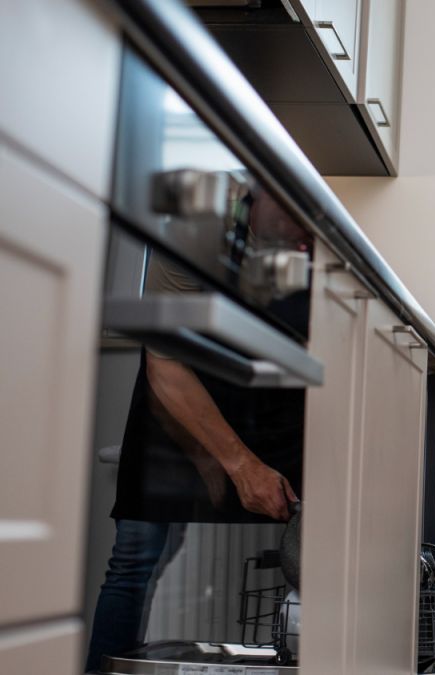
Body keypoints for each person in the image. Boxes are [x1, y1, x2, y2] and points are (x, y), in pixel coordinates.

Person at [84, 188, 309, 672]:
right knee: (134, 560)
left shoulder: (320, 248)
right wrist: (236, 464)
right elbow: (165, 365)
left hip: (274, 403)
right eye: (300, 225)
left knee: (312, 553)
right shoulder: (191, 236)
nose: (307, 240)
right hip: (180, 398)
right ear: (268, 196)